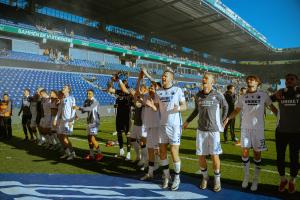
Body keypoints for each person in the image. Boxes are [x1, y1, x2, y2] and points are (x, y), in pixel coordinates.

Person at [224, 75, 278, 191]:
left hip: (258, 129)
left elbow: (272, 107)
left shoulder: (263, 95)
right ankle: (246, 176)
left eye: (252, 80)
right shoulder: (242, 97)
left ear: (257, 82)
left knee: (257, 153)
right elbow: (237, 110)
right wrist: (228, 118)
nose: (249, 81)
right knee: (244, 151)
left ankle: (255, 179)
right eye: (248, 80)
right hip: (245, 129)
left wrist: (280, 117)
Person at [183, 73, 228, 192]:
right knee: (201, 155)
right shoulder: (198, 95)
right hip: (201, 130)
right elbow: (196, 110)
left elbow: (226, 106)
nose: (204, 80)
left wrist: (223, 120)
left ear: (212, 82)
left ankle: (217, 179)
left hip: (214, 131)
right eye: (203, 78)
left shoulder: (218, 95)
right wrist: (187, 121)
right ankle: (205, 177)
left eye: (206, 78)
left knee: (214, 155)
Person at [149, 67, 187, 191]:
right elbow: (156, 108)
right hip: (162, 125)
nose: (163, 77)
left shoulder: (177, 90)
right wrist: (150, 105)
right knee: (162, 153)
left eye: (166, 76)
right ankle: (166, 176)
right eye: (163, 76)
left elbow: (185, 106)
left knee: (174, 152)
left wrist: (179, 109)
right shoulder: (158, 92)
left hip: (175, 126)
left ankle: (177, 178)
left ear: (171, 78)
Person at [271, 73, 300, 193]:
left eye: (291, 79)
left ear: (296, 81)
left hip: (296, 132)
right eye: (287, 79)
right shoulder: (280, 92)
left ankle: (292, 181)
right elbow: (266, 101)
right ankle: (283, 179)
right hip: (281, 131)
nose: (289, 81)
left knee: (294, 158)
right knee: (280, 157)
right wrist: (276, 111)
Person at [73, 89, 103, 161]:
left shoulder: (95, 101)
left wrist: (79, 108)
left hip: (94, 121)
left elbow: (89, 108)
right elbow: (84, 111)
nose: (88, 95)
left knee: (92, 138)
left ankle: (100, 154)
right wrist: (76, 113)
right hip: (89, 121)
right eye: (87, 93)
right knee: (89, 138)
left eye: (90, 93)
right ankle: (91, 154)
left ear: (93, 94)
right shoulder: (86, 101)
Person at [107, 76, 133, 159]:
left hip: (126, 116)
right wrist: (112, 80)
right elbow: (110, 89)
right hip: (119, 116)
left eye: (124, 82)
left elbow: (125, 89)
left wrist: (119, 80)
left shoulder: (129, 91)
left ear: (126, 83)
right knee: (119, 133)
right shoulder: (119, 92)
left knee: (127, 134)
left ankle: (128, 153)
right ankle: (121, 149)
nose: (121, 84)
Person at [53, 85, 76, 160]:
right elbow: (59, 111)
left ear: (68, 90)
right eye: (63, 87)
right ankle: (67, 152)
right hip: (62, 121)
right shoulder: (62, 99)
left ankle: (72, 153)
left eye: (65, 88)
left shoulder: (72, 98)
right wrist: (56, 119)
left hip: (68, 121)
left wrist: (71, 121)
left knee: (65, 138)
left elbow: (74, 110)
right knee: (59, 136)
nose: (63, 88)